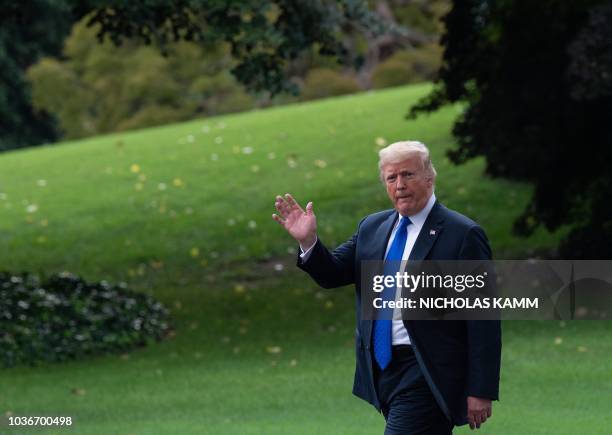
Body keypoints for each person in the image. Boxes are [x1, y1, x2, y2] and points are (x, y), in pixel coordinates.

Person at [272, 140, 501, 434]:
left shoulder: (461, 234)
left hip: (428, 370)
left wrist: (480, 389)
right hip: (382, 371)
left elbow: (483, 318)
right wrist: (308, 242)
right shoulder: (373, 227)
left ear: (429, 177)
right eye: (391, 178)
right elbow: (333, 274)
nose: (400, 184)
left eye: (408, 175)